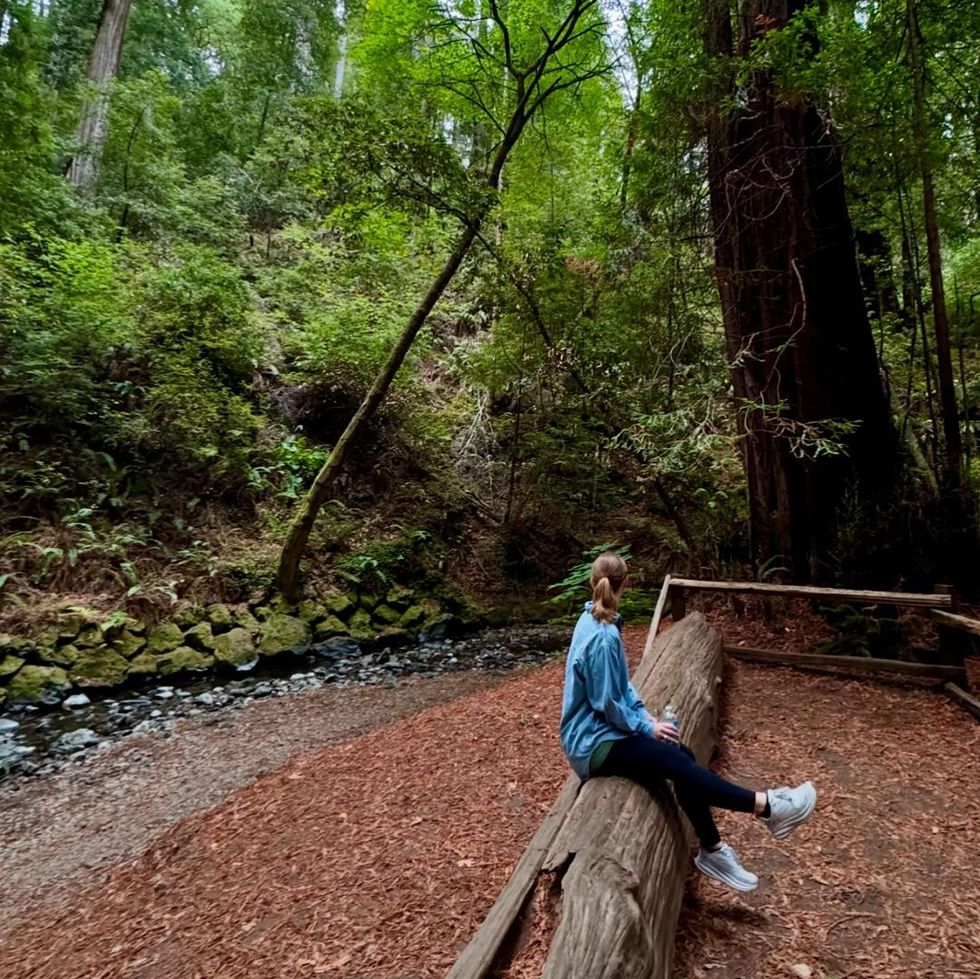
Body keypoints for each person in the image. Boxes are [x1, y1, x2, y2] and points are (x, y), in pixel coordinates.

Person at [559, 551, 816, 892]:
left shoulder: (594, 618)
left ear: (593, 581)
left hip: (603, 732)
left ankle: (713, 850)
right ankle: (767, 806)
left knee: (681, 755)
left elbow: (620, 690)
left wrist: (644, 717)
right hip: (593, 744)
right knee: (675, 761)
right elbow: (606, 703)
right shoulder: (603, 635)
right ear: (628, 583)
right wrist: (645, 727)